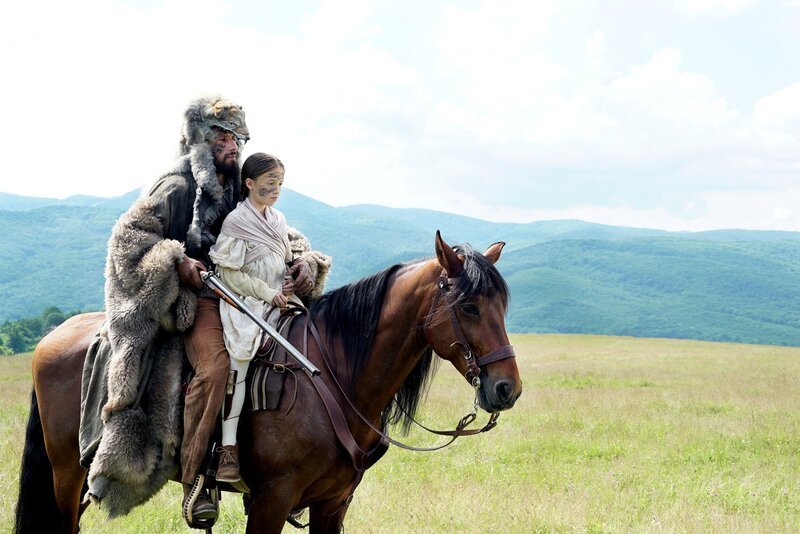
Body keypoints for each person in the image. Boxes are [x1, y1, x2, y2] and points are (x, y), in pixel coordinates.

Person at [83, 94, 318, 528]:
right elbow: (127, 242)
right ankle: (198, 480)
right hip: (200, 299)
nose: (234, 145)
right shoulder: (175, 185)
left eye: (239, 138)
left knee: (294, 357)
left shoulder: (239, 186)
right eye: (225, 137)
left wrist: (305, 261)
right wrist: (177, 261)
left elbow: (280, 232)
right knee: (216, 368)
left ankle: (283, 470)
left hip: (251, 295)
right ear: (201, 139)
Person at [207, 153, 300, 490]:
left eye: (279, 183)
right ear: (249, 183)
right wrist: (265, 292)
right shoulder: (236, 221)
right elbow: (228, 273)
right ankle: (229, 447)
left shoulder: (278, 219)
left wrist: (291, 278)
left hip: (280, 297)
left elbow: (284, 259)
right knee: (239, 365)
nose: (275, 189)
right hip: (244, 303)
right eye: (269, 182)